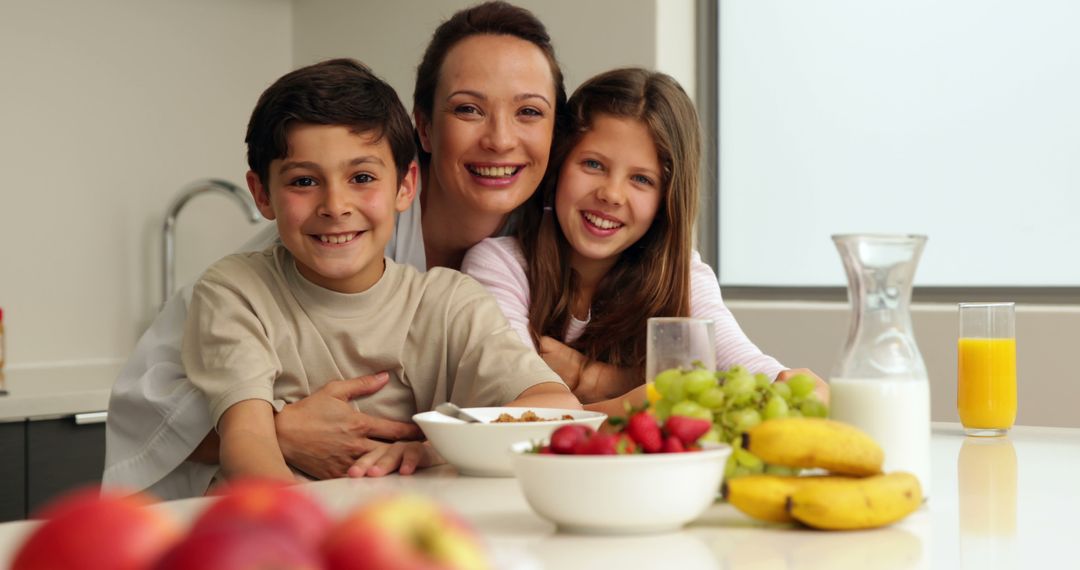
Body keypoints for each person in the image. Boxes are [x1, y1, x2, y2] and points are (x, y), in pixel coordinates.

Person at [104, 1, 568, 498]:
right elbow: (168, 419)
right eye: (468, 108)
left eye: (529, 111)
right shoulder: (253, 282)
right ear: (425, 129)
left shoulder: (488, 280)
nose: (499, 139)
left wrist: (439, 446)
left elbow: (552, 410)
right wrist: (280, 429)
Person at [461, 68, 825, 417]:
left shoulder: (682, 278)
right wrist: (640, 399)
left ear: (667, 198)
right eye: (593, 164)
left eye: (641, 179)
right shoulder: (498, 265)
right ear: (558, 165)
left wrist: (594, 379)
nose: (612, 194)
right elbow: (518, 410)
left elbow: (747, 373)